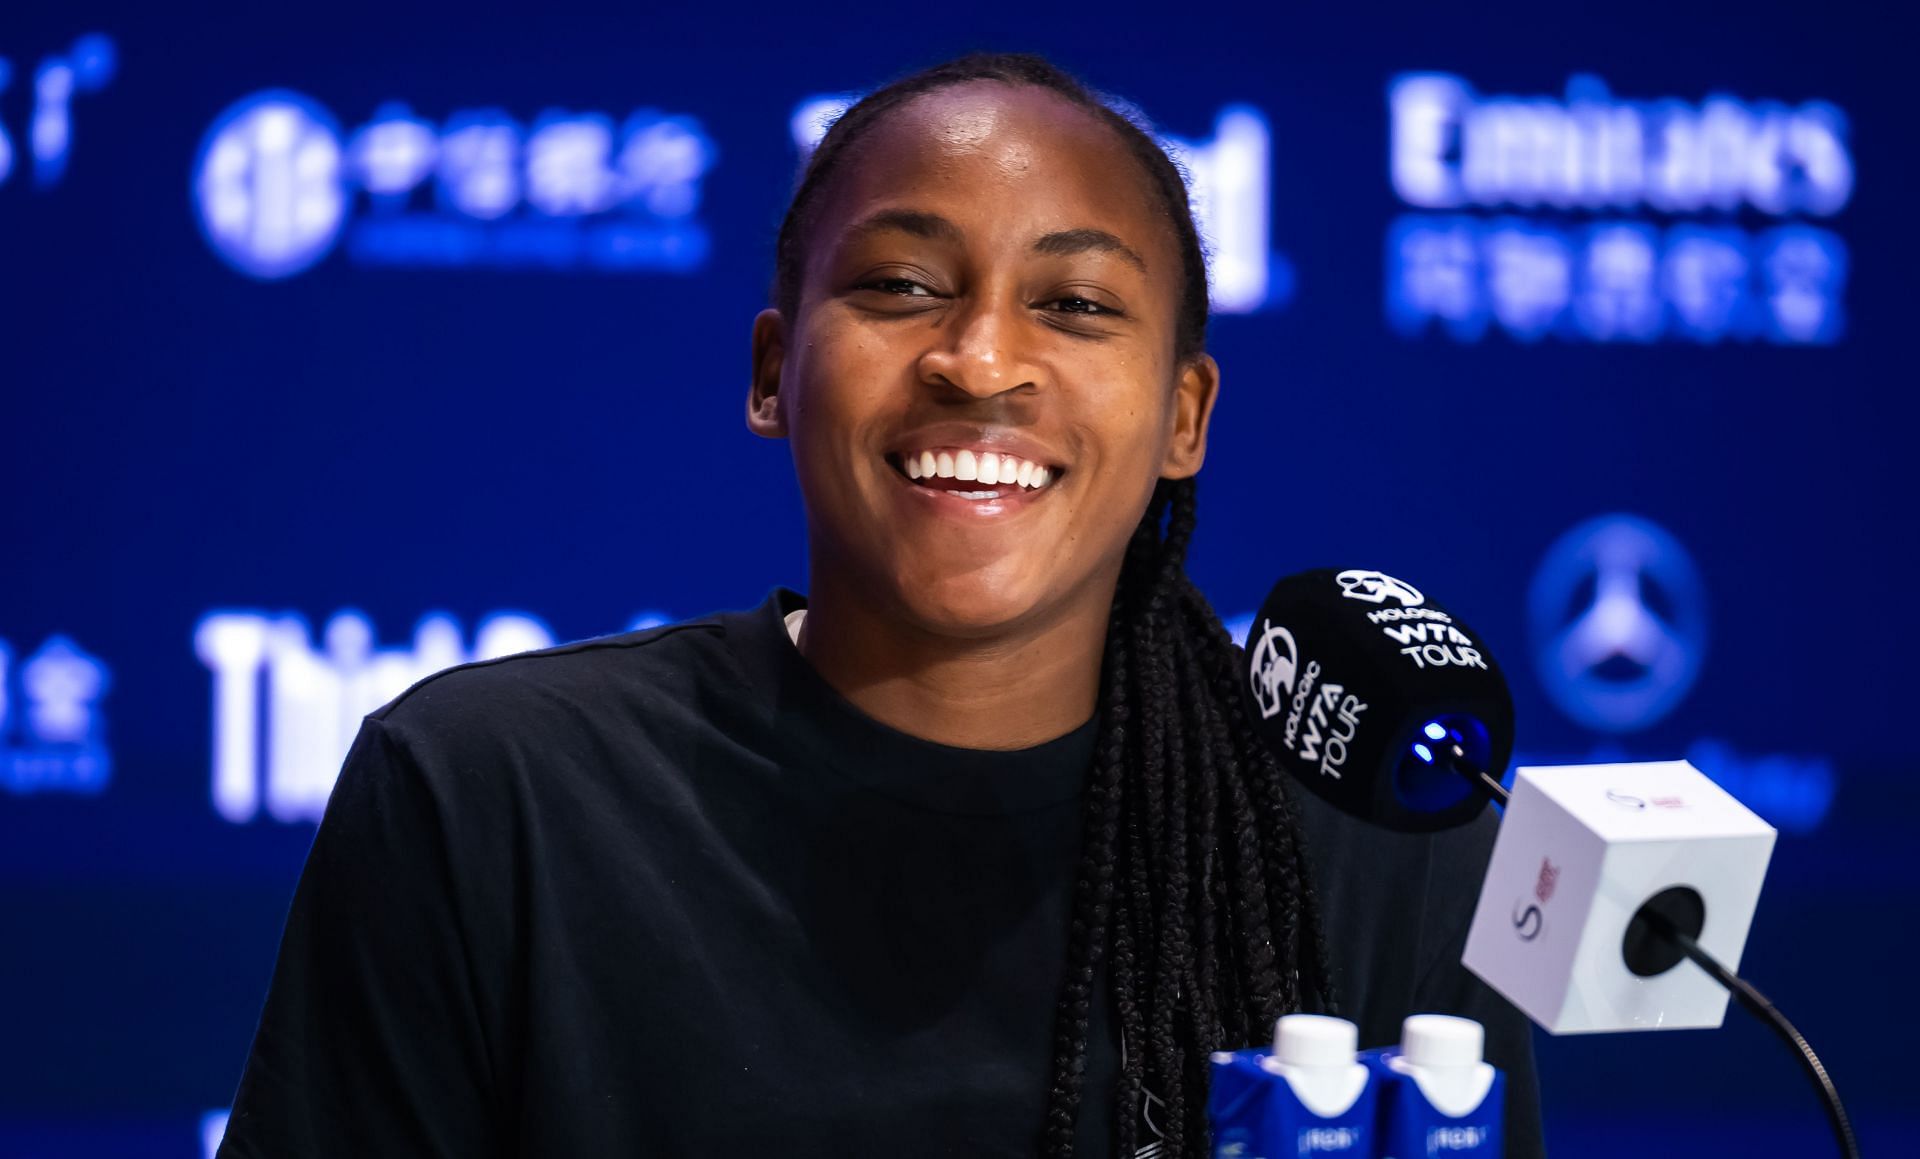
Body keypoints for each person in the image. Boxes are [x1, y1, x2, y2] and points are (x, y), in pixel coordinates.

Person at [216, 51, 1543, 1158]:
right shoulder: (490, 794)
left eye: (1075, 304)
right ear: (772, 371)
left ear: (1184, 418)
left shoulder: (1383, 841)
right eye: (902, 287)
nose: (980, 361)